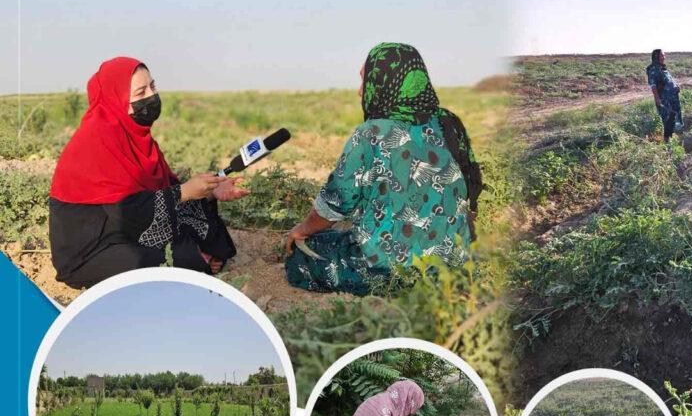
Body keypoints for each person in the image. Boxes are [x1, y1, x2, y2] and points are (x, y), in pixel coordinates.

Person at [284, 43, 482, 294]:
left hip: (392, 271)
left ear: (385, 83)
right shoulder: (449, 122)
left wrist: (300, 229)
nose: (359, 92)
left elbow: (336, 203)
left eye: (365, 81)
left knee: (302, 255)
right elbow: (471, 183)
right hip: (454, 264)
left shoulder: (371, 134)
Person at [48, 57, 247, 289]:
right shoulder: (96, 140)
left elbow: (164, 189)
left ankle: (195, 255)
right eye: (140, 92)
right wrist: (184, 192)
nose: (151, 97)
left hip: (126, 226)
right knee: (180, 260)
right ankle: (193, 259)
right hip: (93, 249)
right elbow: (126, 211)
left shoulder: (135, 136)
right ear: (116, 99)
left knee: (199, 230)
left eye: (152, 87)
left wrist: (210, 191)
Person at [646, 49, 684, 143]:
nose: (664, 57)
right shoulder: (653, 69)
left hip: (673, 98)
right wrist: (657, 98)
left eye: (664, 55)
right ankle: (667, 142)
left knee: (674, 118)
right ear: (656, 57)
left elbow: (668, 80)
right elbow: (653, 85)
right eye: (661, 56)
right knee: (667, 119)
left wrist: (676, 86)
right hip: (664, 100)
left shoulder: (662, 68)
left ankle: (676, 139)